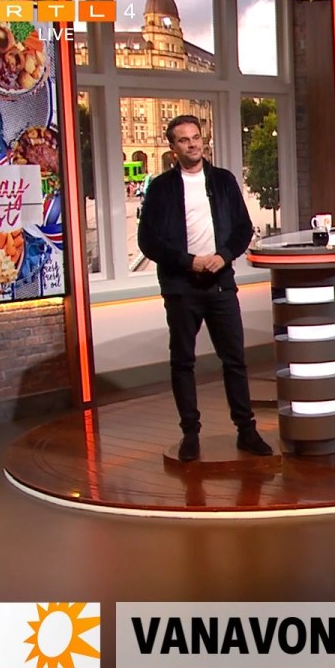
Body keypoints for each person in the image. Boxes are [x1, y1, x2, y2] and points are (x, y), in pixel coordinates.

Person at [136, 115, 272, 461]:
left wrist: (223, 256)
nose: (193, 144)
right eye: (184, 140)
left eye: (196, 137)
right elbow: (147, 240)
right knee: (183, 361)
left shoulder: (223, 181)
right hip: (181, 287)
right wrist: (188, 261)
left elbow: (243, 229)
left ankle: (246, 430)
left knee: (235, 360)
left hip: (221, 284)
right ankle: (190, 434)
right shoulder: (161, 188)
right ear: (173, 148)